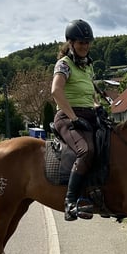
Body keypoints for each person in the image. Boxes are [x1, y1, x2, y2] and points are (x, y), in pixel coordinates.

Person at [51, 19, 101, 221]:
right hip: (67, 117)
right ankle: (70, 201)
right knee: (86, 150)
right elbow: (56, 91)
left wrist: (98, 107)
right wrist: (73, 117)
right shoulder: (64, 64)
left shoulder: (88, 67)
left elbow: (92, 96)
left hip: (89, 115)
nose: (85, 46)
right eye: (81, 42)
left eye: (87, 42)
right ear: (70, 43)